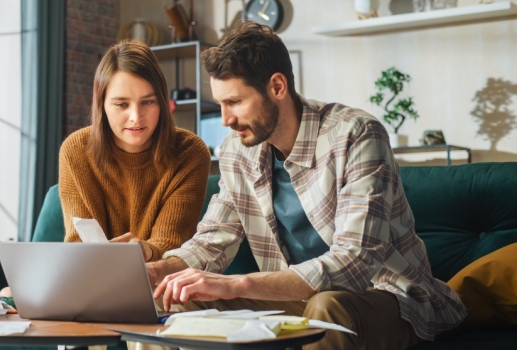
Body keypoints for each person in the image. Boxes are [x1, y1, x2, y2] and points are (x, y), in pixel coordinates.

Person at [148, 22, 466, 350]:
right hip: (293, 301)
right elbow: (213, 241)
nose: (226, 119)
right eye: (221, 103)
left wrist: (236, 285)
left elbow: (354, 262)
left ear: (277, 86)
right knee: (172, 301)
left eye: (235, 102)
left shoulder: (356, 134)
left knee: (328, 306)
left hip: (384, 298)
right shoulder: (236, 151)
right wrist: (158, 272)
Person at [60, 39, 211, 261]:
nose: (136, 117)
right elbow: (79, 244)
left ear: (162, 102)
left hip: (160, 281)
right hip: (92, 277)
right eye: (121, 104)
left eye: (148, 102)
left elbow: (172, 243)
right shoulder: (76, 150)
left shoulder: (190, 152)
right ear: (102, 104)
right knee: (9, 293)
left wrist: (146, 250)